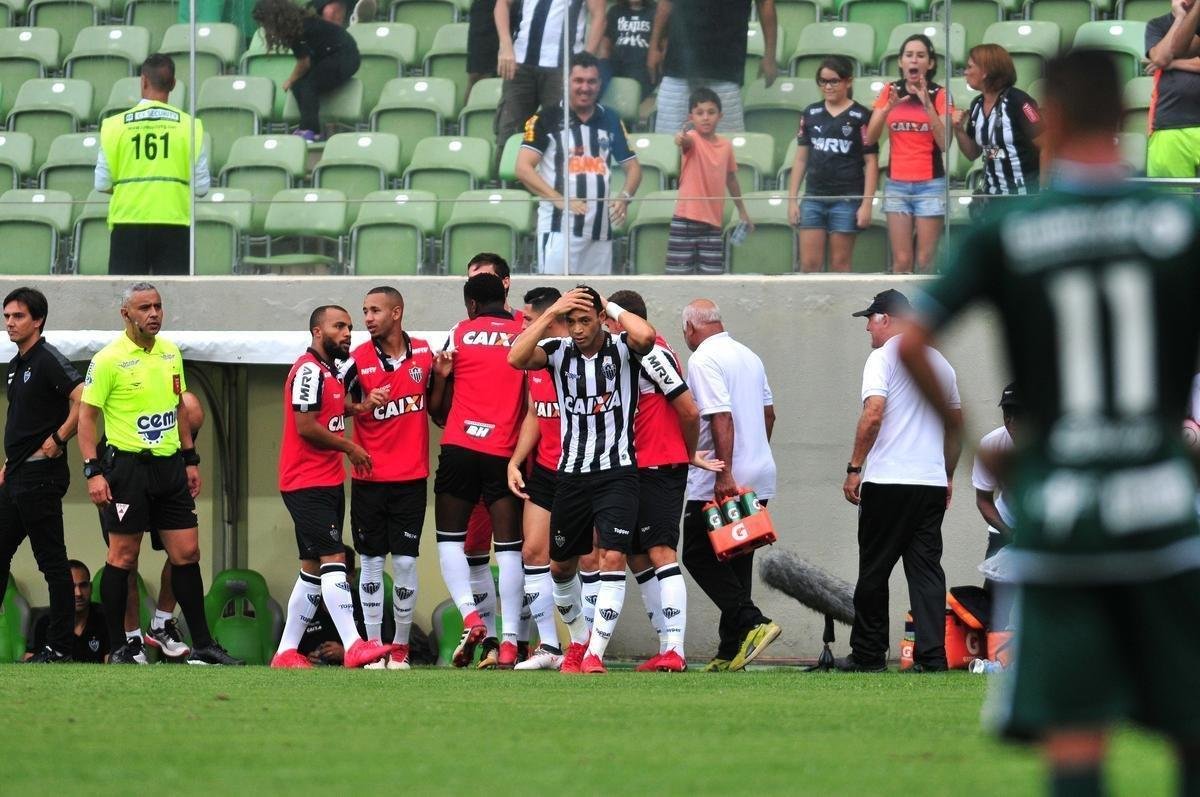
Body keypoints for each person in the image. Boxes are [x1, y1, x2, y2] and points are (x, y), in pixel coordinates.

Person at [899, 49, 1200, 795]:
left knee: (1073, 731)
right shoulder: (1175, 218)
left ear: (1050, 122)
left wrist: (984, 453)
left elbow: (910, 341)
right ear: (1128, 120)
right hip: (1162, 506)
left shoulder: (1013, 228)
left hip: (1064, 511)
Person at [77, 283, 240, 665]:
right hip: (127, 467)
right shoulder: (107, 360)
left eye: (158, 306)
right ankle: (120, 646)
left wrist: (190, 458)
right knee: (122, 556)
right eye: (144, 307)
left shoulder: (170, 352)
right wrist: (92, 471)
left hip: (168, 467)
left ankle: (201, 645)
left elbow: (179, 408)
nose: (154, 313)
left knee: (187, 552)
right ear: (126, 314)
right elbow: (87, 418)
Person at [508, 287, 657, 673]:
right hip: (570, 474)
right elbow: (515, 357)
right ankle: (578, 641)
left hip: (617, 472)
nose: (576, 329)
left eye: (584, 320)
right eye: (570, 321)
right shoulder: (557, 353)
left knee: (611, 557)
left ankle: (595, 654)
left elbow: (646, 337)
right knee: (560, 568)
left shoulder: (623, 348)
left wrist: (608, 305)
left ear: (600, 319)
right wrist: (550, 314)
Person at [837, 289, 960, 673]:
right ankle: (932, 656)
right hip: (929, 483)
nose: (868, 330)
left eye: (870, 320)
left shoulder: (882, 357)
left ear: (887, 319)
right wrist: (948, 475)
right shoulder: (940, 362)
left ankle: (870, 655)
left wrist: (855, 466)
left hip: (889, 480)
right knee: (926, 572)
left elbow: (873, 413)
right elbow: (954, 426)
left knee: (874, 570)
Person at [605, 290, 722, 673]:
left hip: (660, 464)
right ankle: (665, 645)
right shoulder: (634, 352)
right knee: (637, 555)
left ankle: (675, 648)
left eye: (608, 322)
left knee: (659, 552)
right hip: (637, 465)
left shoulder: (650, 350)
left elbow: (689, 409)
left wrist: (686, 453)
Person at [269, 305, 392, 670]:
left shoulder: (329, 372)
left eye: (350, 327)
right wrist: (350, 447)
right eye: (339, 326)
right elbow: (305, 425)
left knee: (311, 568)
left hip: (325, 480)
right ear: (317, 332)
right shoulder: (308, 369)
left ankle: (285, 652)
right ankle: (354, 644)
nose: (347, 333)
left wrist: (361, 407)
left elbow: (328, 413)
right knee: (334, 558)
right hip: (306, 481)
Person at [430, 274, 527, 668]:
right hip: (503, 450)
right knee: (509, 551)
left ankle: (471, 617)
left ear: (470, 304)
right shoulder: (524, 332)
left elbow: (441, 398)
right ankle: (508, 642)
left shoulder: (460, 332)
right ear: (505, 294)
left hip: (459, 447)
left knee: (450, 542)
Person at [678, 299, 779, 672]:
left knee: (697, 554)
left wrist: (724, 474)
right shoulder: (749, 356)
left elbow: (719, 414)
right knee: (734, 560)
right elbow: (769, 414)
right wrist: (754, 454)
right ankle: (729, 650)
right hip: (758, 472)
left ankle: (755, 623)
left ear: (690, 328)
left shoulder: (702, 359)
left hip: (719, 477)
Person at [341, 287, 434, 670]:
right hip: (370, 477)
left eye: (375, 310)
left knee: (408, 565)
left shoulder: (427, 353)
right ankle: (375, 646)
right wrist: (361, 405)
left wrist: (443, 376)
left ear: (397, 312)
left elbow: (441, 399)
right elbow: (333, 403)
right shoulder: (354, 360)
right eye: (364, 311)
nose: (367, 318)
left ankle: (400, 648)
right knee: (374, 563)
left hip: (411, 477)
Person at [0, 288, 83, 663]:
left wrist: (59, 438)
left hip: (40, 476)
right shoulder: (16, 365)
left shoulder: (48, 359)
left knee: (52, 562)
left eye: (17, 316)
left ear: (38, 320)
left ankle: (60, 646)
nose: (10, 324)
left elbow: (84, 396)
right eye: (6, 317)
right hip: (16, 475)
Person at [517, 51, 641, 275]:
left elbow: (633, 168)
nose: (585, 87)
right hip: (559, 229)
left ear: (599, 83)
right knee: (556, 299)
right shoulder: (546, 118)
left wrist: (624, 198)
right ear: (567, 82)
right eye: (579, 81)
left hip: (601, 231)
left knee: (596, 304)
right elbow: (523, 168)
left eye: (591, 81)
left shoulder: (610, 119)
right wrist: (558, 199)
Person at [95, 54, 210, 276]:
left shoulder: (113, 126)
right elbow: (202, 188)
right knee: (172, 302)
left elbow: (101, 183)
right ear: (173, 85)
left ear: (143, 81)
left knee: (128, 301)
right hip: (174, 223)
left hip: (127, 222)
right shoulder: (190, 126)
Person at [116, 389, 206, 661]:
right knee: (126, 560)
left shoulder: (184, 418)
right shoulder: (132, 400)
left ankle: (161, 623)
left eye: (190, 430)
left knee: (184, 551)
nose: (185, 436)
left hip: (166, 480)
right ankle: (132, 641)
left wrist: (187, 464)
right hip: (127, 475)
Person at [506, 287, 569, 670]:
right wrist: (516, 461)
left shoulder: (579, 356)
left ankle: (588, 646)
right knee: (533, 553)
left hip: (584, 470)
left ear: (550, 318)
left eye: (529, 319)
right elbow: (535, 413)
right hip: (545, 470)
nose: (523, 325)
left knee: (591, 560)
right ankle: (550, 647)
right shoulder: (536, 361)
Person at [866, 33, 951, 274]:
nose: (914, 60)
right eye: (909, 55)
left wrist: (927, 105)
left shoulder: (941, 94)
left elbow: (945, 143)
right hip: (897, 185)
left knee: (925, 261)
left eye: (921, 55)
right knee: (901, 262)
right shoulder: (889, 91)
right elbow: (870, 138)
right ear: (901, 62)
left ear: (930, 63)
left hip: (931, 185)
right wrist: (887, 109)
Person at [787, 56, 879, 273]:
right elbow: (801, 158)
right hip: (813, 197)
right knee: (809, 265)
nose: (828, 86)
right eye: (823, 81)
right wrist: (792, 201)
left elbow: (871, 163)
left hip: (847, 199)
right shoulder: (810, 113)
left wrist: (867, 204)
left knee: (840, 265)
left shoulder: (861, 116)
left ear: (848, 81)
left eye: (834, 81)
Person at [494, 0, 605, 174]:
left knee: (562, 131)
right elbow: (502, 4)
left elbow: (599, 15)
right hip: (521, 61)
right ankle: (508, 192)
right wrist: (505, 44)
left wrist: (585, 63)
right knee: (510, 129)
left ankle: (560, 191)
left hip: (564, 66)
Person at [648, 0, 777, 134]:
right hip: (677, 67)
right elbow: (666, 2)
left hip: (725, 68)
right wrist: (654, 46)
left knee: (725, 148)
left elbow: (765, 3)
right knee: (669, 147)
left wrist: (770, 55)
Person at [667, 88, 752, 275]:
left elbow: (731, 179)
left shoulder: (726, 146)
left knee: (712, 278)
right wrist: (680, 138)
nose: (705, 117)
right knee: (677, 277)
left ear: (720, 116)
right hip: (685, 220)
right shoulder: (693, 140)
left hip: (713, 223)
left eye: (711, 112)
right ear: (691, 117)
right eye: (700, 113)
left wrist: (743, 212)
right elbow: (683, 141)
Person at [253, 0, 361, 142]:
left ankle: (311, 130)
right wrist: (294, 82)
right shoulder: (297, 25)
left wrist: (289, 80)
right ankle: (306, 126)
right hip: (330, 55)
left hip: (345, 56)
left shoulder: (297, 29)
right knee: (299, 85)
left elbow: (304, 63)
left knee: (308, 85)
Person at [951, 44, 1042, 199]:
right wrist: (958, 130)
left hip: (1022, 196)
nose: (965, 72)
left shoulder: (1020, 102)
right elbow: (973, 153)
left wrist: (1043, 189)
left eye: (970, 67)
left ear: (985, 72)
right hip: (991, 195)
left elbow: (1047, 145)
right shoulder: (977, 105)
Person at [973, 383, 1020, 628]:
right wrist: (1008, 532)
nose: (1011, 420)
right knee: (995, 600)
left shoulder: (1049, 446)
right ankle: (991, 655)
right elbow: (984, 500)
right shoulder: (992, 445)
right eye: (1007, 413)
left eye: (1019, 413)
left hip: (1044, 529)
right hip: (1006, 527)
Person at [1144, 0, 1200, 179]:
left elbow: (1165, 61)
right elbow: (1160, 58)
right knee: (1171, 202)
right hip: (1169, 126)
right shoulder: (1157, 25)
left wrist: (1174, 63)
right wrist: (1180, 18)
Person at [23, 560, 108, 664]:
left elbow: (111, 662)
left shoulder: (105, 618)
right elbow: (28, 661)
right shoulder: (45, 621)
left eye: (83, 585)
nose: (78, 593)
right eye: (71, 586)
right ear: (62, 590)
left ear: (90, 587)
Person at [601, 0, 656, 98]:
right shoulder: (615, 11)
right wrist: (604, 67)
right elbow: (606, 46)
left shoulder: (654, 12)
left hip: (643, 70)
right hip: (618, 69)